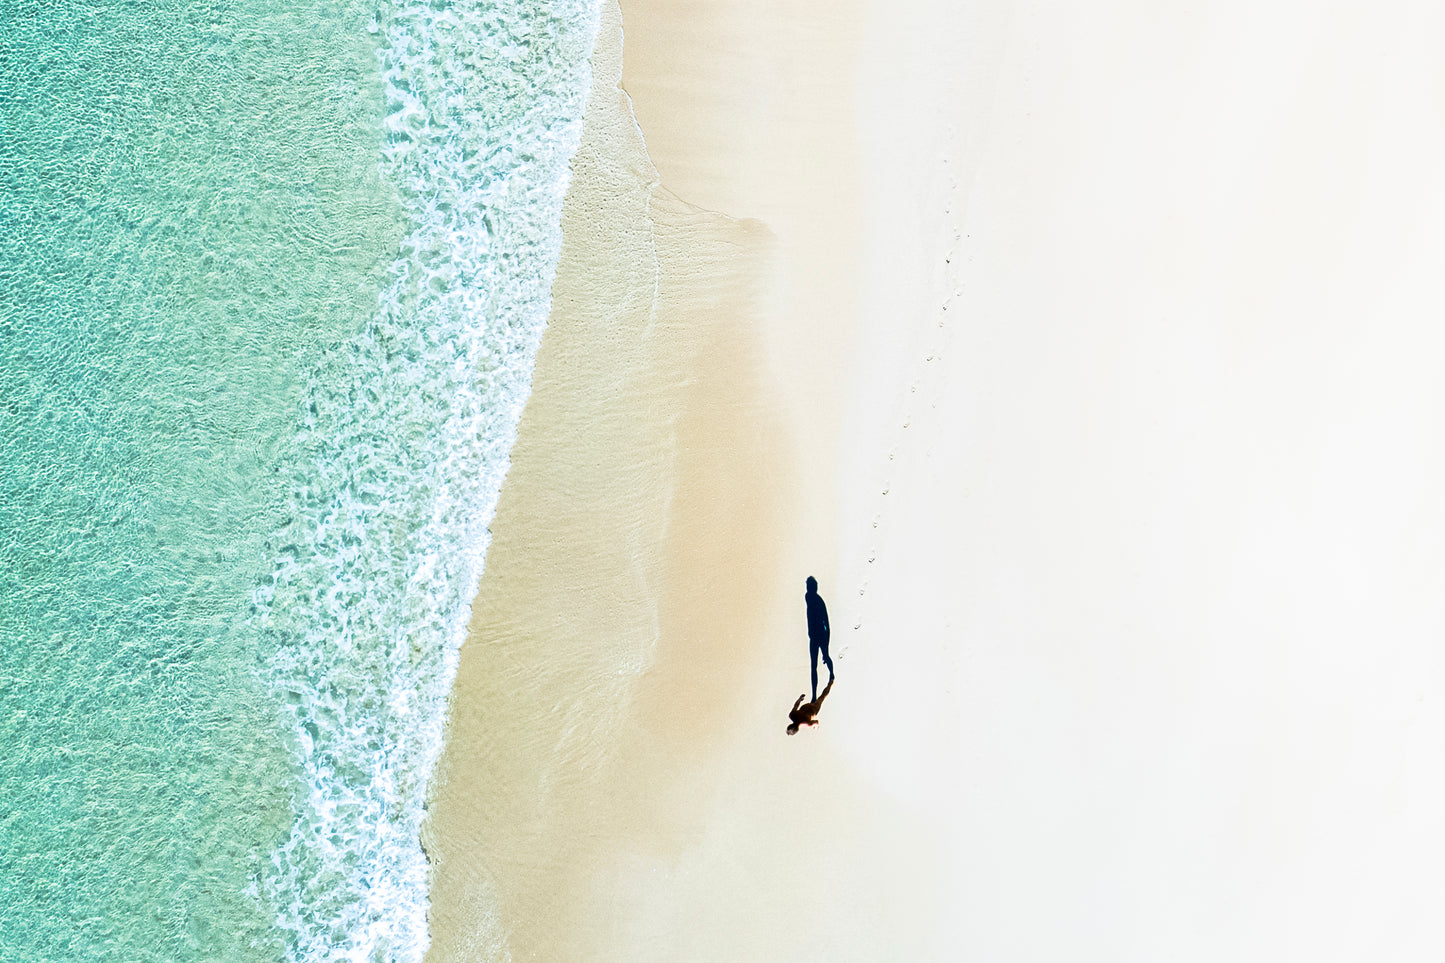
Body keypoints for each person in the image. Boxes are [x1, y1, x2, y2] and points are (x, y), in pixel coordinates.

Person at [804, 575, 834, 702]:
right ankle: (814, 695)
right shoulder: (808, 597)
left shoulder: (818, 601)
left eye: (810, 587)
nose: (808, 589)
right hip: (813, 637)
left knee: (826, 656)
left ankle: (832, 674)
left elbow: (826, 623)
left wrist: (826, 642)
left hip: (821, 635)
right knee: (813, 666)